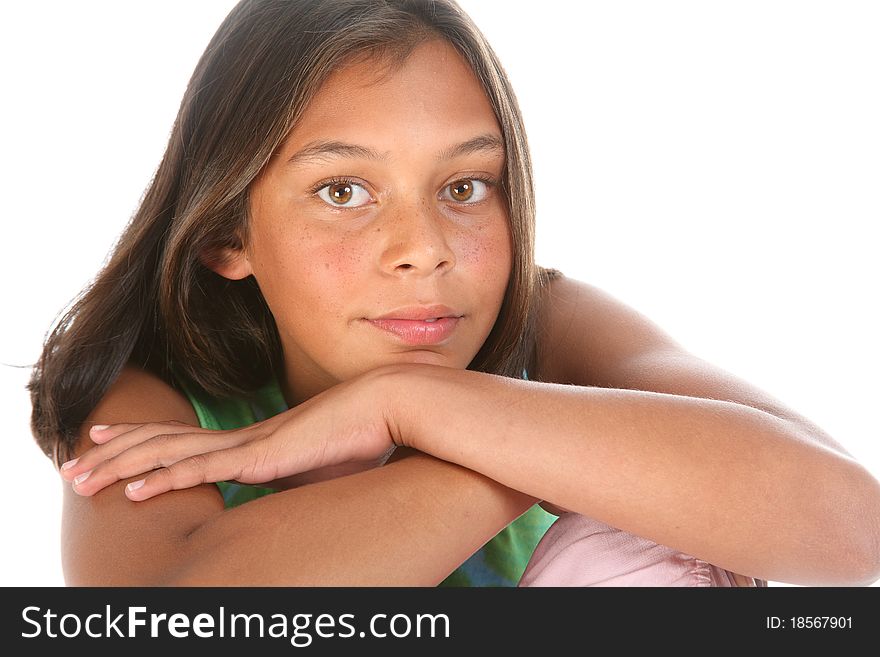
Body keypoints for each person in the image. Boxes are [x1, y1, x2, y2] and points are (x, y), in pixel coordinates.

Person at [29, 0, 880, 587]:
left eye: (466, 186)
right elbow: (161, 618)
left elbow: (852, 526)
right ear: (226, 234)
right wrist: (519, 457)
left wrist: (415, 401)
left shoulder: (548, 321)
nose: (425, 250)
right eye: (342, 191)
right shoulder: (151, 388)